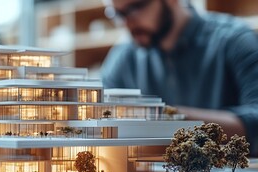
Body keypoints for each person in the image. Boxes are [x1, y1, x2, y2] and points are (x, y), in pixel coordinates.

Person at [101, 0, 258, 155]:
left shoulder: (234, 40)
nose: (127, 23)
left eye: (137, 7)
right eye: (118, 13)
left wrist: (166, 118)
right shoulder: (122, 57)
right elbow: (100, 118)